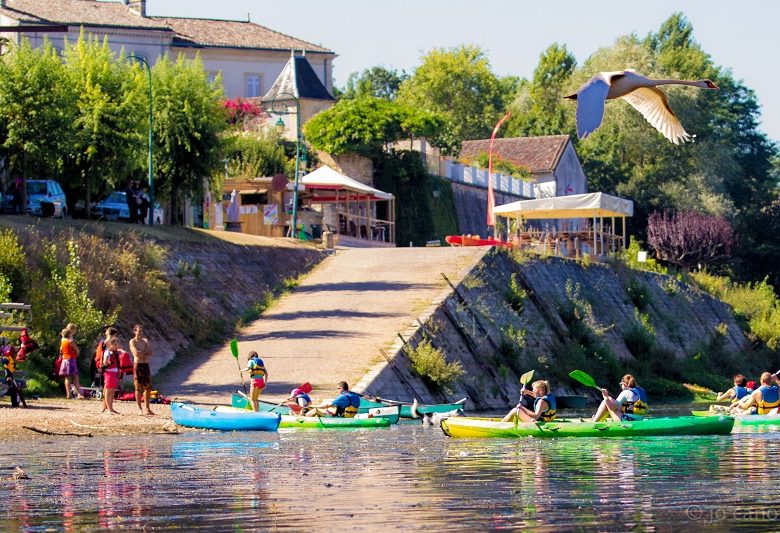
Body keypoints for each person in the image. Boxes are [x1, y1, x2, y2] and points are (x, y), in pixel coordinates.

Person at [129, 324, 154, 416]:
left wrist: (142, 353)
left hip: (145, 365)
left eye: (141, 331)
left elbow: (151, 352)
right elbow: (136, 353)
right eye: (139, 331)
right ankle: (139, 408)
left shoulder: (145, 341)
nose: (140, 333)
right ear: (135, 331)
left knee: (148, 387)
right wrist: (144, 353)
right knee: (137, 387)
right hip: (138, 365)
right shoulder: (132, 341)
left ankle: (147, 408)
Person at [59, 327, 84, 400]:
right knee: (75, 377)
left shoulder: (62, 341)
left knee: (67, 377)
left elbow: (60, 350)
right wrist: (76, 352)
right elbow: (77, 350)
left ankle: (68, 394)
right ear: (69, 334)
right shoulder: (70, 342)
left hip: (65, 359)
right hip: (71, 359)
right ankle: (79, 394)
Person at [101, 337, 122, 414]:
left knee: (112, 391)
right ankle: (108, 409)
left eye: (117, 344)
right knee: (108, 390)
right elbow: (105, 362)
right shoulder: (107, 352)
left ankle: (111, 408)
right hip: (109, 373)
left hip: (113, 373)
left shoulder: (114, 353)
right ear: (111, 344)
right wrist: (107, 361)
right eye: (115, 344)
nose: (116, 346)